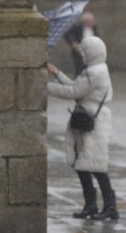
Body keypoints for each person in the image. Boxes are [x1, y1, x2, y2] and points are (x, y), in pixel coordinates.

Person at [47, 36, 119, 220]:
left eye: (84, 52)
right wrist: (57, 73)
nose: (82, 55)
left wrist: (45, 86)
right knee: (83, 164)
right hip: (88, 118)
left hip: (93, 121)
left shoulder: (94, 72)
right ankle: (91, 205)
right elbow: (77, 86)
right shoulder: (95, 69)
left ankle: (110, 207)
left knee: (96, 166)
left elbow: (73, 92)